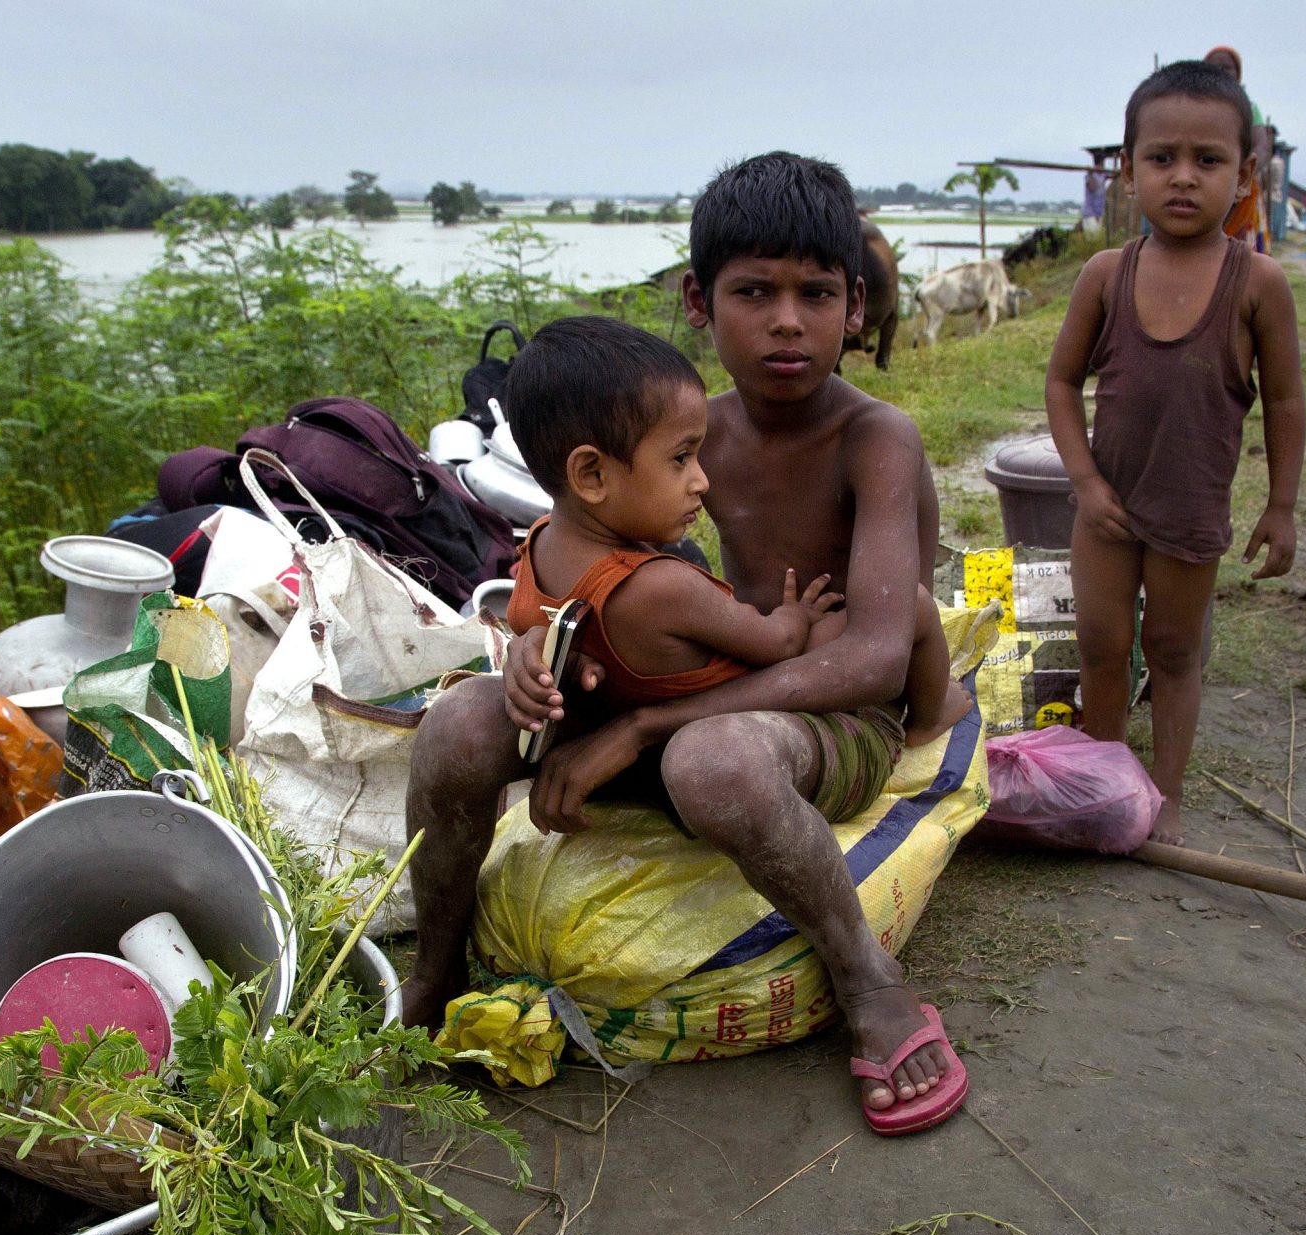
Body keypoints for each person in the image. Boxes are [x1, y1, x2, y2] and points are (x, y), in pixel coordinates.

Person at [401, 152, 970, 1136]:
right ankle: (435, 969)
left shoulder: (876, 440)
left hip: (821, 718)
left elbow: (876, 658)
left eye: (816, 294)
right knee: (454, 726)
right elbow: (577, 569)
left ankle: (870, 983)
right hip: (695, 688)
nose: (787, 319)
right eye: (754, 292)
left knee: (711, 760)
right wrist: (534, 660)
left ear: (856, 305)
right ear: (698, 303)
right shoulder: (679, 430)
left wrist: (647, 725)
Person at [1043, 60, 1305, 850]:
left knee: (1176, 650)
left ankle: (1166, 794)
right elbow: (1060, 383)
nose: (1183, 178)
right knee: (1100, 644)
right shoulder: (1104, 275)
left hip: (1190, 509)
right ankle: (1103, 780)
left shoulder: (1258, 283)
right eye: (1161, 159)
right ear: (1129, 169)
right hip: (1106, 508)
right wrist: (1084, 481)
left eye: (1208, 160)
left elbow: (1287, 400)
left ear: (1245, 174)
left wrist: (1282, 506)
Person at [497, 315, 970, 748]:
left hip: (638, 708)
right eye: (682, 459)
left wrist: (532, 650)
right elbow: (777, 645)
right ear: (592, 476)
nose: (702, 480)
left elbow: (541, 630)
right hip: (737, 697)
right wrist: (795, 616)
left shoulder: (535, 551)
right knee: (915, 606)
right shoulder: (663, 585)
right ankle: (934, 714)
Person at [1202, 46, 1276, 254]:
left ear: (1238, 74)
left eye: (1227, 68)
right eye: (1214, 68)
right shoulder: (1195, 108)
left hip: (1241, 191)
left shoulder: (1249, 109)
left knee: (1243, 253)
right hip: (1204, 188)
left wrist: (1237, 180)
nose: (1221, 73)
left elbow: (1261, 147)